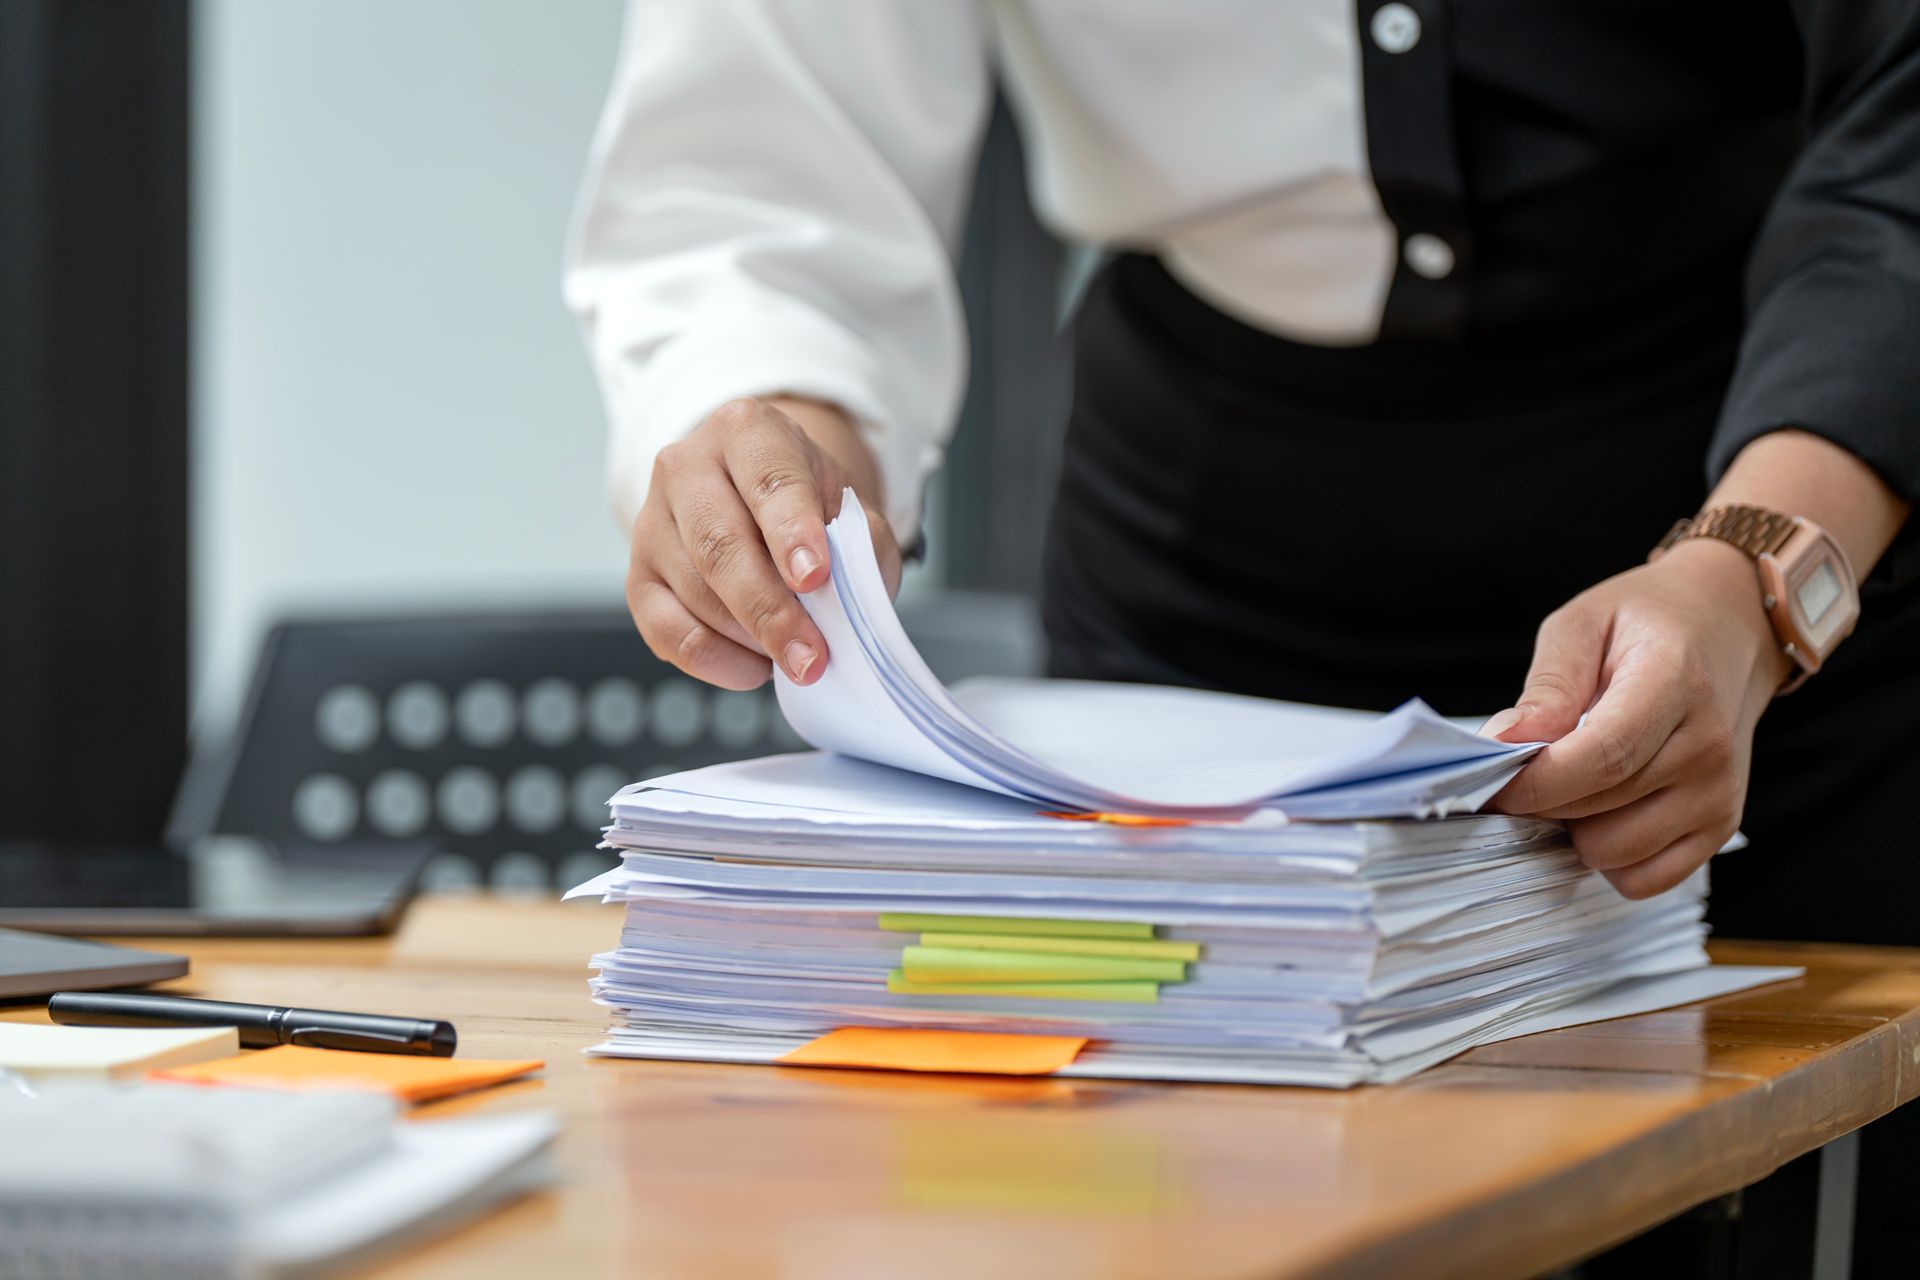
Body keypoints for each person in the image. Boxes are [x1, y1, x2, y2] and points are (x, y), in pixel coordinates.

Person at [565, 2, 1916, 1263]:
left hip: (1780, 508)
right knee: (1158, 1206)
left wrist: (1759, 570)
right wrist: (786, 431)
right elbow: (771, 151)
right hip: (1201, 550)